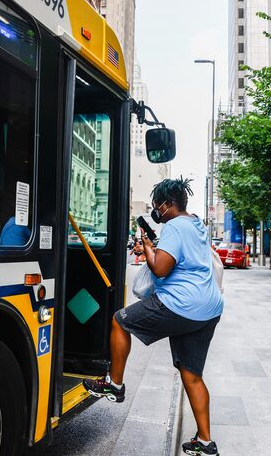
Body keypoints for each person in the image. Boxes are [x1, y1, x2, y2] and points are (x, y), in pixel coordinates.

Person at [83, 178, 223, 456]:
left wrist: (147, 246)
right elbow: (179, 256)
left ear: (169, 204)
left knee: (120, 320)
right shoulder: (196, 224)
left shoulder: (173, 226)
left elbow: (160, 269)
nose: (156, 210)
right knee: (192, 376)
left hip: (180, 303)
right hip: (209, 308)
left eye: (158, 204)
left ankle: (115, 384)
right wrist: (152, 247)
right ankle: (205, 442)